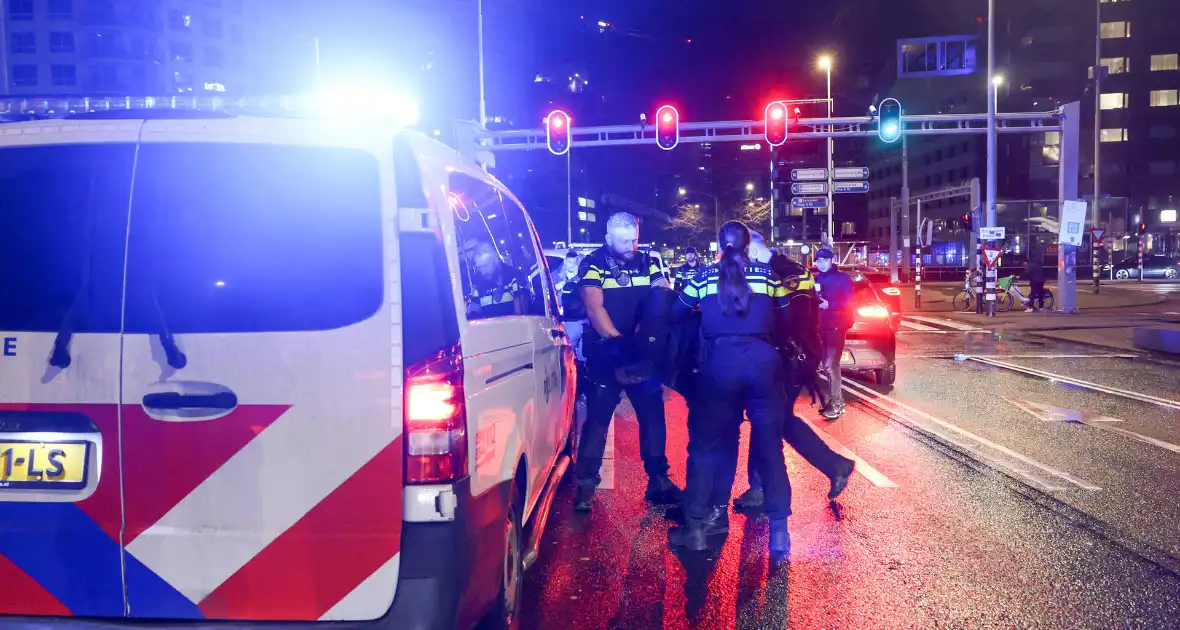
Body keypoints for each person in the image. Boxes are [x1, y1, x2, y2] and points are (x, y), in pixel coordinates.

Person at [668, 221, 792, 556]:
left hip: (719, 365)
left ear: (718, 245)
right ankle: (780, 532)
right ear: (748, 244)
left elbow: (676, 311)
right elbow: (786, 318)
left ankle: (696, 527)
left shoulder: (704, 277)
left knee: (706, 447)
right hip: (763, 365)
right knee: (770, 449)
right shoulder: (768, 277)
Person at [734, 233, 855, 509]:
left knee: (768, 419)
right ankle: (831, 467)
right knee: (773, 419)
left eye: (742, 254)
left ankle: (764, 489)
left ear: (751, 250)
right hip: (796, 354)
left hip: (791, 356)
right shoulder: (787, 269)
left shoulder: (781, 274)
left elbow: (788, 320)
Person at [574, 212, 681, 512]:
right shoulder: (593, 263)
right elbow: (594, 308)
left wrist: (654, 343)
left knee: (653, 417)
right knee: (597, 421)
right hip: (608, 353)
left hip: (641, 355)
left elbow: (663, 298)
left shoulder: (648, 261)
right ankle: (585, 486)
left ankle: (658, 480)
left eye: (634, 239)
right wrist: (618, 345)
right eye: (624, 241)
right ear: (608, 238)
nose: (631, 246)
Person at [813, 248, 854, 419]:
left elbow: (849, 302)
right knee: (825, 366)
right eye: (819, 260)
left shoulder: (843, 279)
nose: (821, 264)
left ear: (832, 260)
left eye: (825, 260)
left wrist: (830, 305)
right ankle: (834, 402)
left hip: (836, 326)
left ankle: (837, 404)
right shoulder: (817, 279)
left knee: (831, 365)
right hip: (821, 327)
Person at [464, 239, 527, 319]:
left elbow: (522, 315)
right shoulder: (478, 284)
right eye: (479, 268)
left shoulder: (514, 276)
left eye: (485, 266)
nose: (482, 272)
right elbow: (474, 314)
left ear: (496, 261)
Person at [555, 251, 587, 360]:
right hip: (564, 320)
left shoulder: (582, 277)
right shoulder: (556, 276)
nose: (570, 265)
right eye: (568, 262)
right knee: (567, 353)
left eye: (572, 262)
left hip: (580, 319)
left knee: (583, 354)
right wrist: (556, 288)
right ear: (565, 261)